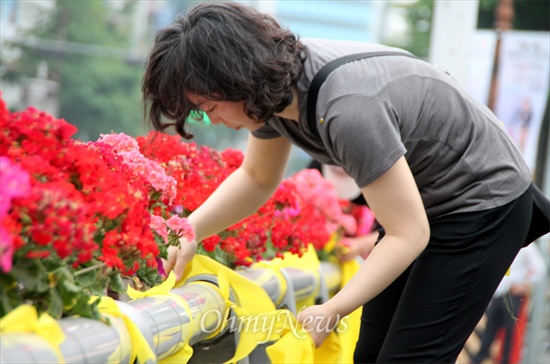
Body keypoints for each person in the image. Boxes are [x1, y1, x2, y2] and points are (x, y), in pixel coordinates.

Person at [141, 2, 546, 362]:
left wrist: (333, 307)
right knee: (367, 354)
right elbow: (256, 177)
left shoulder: (346, 108)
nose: (211, 120)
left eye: (208, 107)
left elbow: (409, 234)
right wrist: (189, 229)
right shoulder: (274, 91)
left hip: (481, 203)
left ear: (236, 79)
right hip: (425, 206)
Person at [470, 243, 547, 364]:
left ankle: (505, 361)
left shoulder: (526, 247)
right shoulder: (504, 243)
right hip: (499, 293)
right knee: (490, 329)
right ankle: (480, 358)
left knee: (509, 332)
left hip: (512, 295)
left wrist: (524, 284)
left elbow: (539, 267)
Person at [308, 159, 379, 262]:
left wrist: (360, 245)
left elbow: (395, 228)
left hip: (359, 256)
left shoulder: (376, 176)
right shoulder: (317, 165)